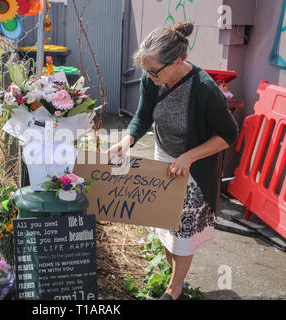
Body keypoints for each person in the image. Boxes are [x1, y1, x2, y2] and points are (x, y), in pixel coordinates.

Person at [108, 22, 239, 300]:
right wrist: (126, 140)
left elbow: (229, 134)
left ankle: (175, 287)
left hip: (195, 165)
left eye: (153, 71)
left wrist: (189, 157)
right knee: (165, 220)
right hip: (163, 155)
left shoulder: (205, 89)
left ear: (178, 61)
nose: (148, 76)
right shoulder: (151, 78)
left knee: (184, 230)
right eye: (146, 70)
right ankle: (173, 273)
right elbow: (143, 116)